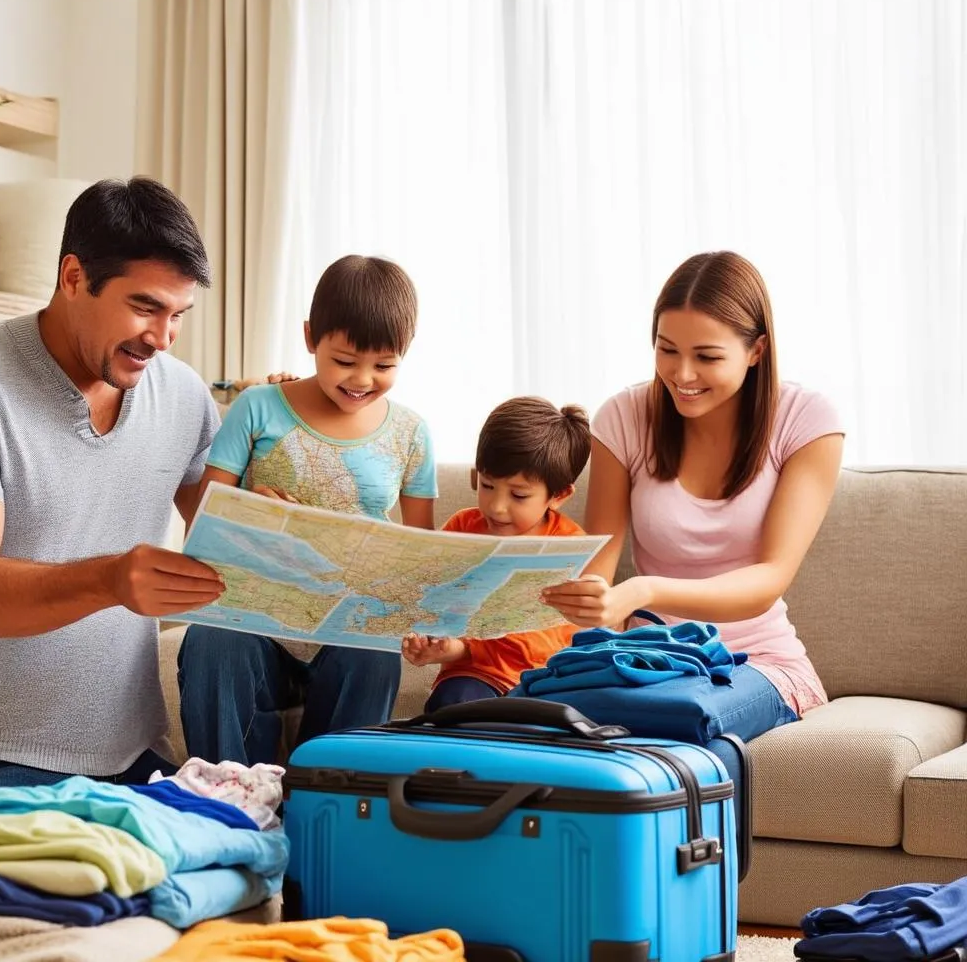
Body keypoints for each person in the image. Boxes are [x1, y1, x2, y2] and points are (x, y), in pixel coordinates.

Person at [0, 177, 226, 822]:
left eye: (178, 315)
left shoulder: (182, 396)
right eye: (145, 307)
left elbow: (242, 542)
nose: (162, 337)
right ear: (74, 276)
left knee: (259, 860)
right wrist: (111, 579)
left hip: (136, 764)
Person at [541, 250, 844, 723]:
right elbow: (596, 572)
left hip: (759, 663)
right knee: (556, 714)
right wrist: (584, 599)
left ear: (756, 351)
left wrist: (641, 592)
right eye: (667, 350)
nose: (681, 375)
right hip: (652, 660)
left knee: (687, 715)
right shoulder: (623, 417)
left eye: (706, 356)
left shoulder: (806, 421)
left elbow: (770, 578)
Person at [177, 255, 437, 765]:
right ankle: (227, 802)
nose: (362, 379)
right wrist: (250, 510)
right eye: (345, 360)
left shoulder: (410, 433)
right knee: (212, 641)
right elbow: (202, 519)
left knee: (375, 654)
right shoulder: (258, 408)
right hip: (255, 613)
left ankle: (330, 796)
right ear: (309, 336)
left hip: (349, 622)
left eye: (384, 366)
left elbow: (422, 552)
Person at [402, 396, 591, 710]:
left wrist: (462, 648)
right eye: (487, 486)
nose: (496, 506)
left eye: (518, 494)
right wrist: (433, 643)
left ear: (558, 495)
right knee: (451, 706)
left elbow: (548, 645)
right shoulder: (462, 528)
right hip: (471, 675)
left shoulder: (568, 544)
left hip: (542, 678)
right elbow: (435, 605)